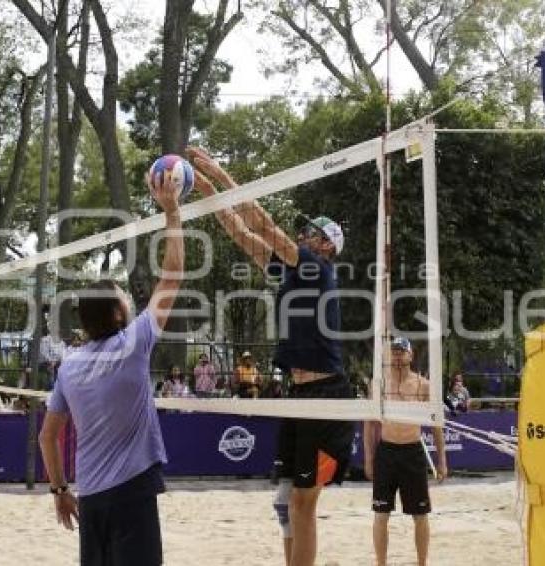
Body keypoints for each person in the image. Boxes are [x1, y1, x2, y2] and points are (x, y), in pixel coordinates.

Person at [188, 146, 353, 566]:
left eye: (312, 233)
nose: (303, 236)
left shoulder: (319, 269)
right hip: (297, 396)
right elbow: (244, 234)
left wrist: (221, 176)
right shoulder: (295, 271)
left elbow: (265, 223)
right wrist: (206, 194)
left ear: (326, 247)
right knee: (284, 504)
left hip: (326, 396)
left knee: (301, 504)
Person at [38, 171, 184, 566]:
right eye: (124, 295)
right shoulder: (134, 343)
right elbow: (172, 275)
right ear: (119, 312)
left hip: (91, 498)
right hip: (132, 494)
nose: (129, 299)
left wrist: (59, 491)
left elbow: (47, 437)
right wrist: (172, 212)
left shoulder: (69, 366)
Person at [364, 337, 447, 566]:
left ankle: (422, 563)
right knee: (381, 515)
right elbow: (369, 423)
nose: (398, 356)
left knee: (420, 516)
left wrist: (442, 461)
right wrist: (369, 459)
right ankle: (381, 563)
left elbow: (436, 424)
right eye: (395, 352)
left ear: (411, 355)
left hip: (412, 452)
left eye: (402, 351)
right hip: (387, 452)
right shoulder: (379, 384)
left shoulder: (423, 385)